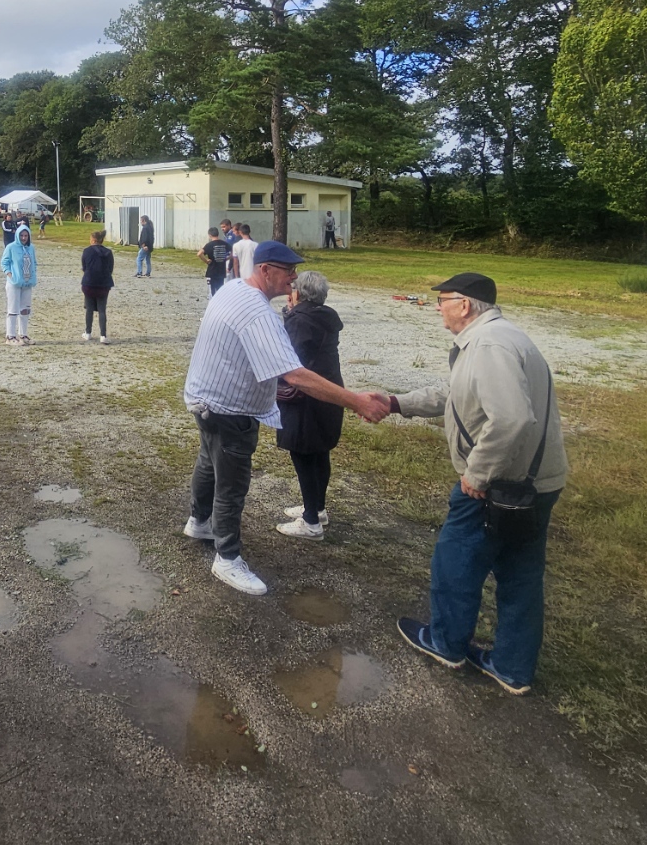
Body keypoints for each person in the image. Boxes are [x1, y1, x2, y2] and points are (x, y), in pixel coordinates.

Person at [359, 272, 568, 696]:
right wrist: (399, 403)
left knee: (456, 560)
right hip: (537, 483)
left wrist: (477, 474)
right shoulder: (498, 339)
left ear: (466, 305)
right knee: (521, 574)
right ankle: (512, 667)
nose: (438, 307)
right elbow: (457, 394)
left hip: (498, 485)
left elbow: (511, 419)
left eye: (444, 300)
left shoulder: (488, 346)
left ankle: (446, 644)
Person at [180, 240, 377, 595]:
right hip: (229, 409)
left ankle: (198, 521)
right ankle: (227, 558)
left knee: (208, 462)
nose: (294, 278)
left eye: (296, 271)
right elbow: (295, 374)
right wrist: (356, 402)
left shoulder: (232, 288)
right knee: (232, 485)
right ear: (266, 270)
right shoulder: (258, 313)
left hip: (204, 398)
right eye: (288, 271)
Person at [274, 271, 345, 540]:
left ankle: (311, 521)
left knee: (303, 453)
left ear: (299, 293)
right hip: (329, 389)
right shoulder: (325, 316)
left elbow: (290, 355)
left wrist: (289, 315)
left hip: (306, 394)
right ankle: (317, 507)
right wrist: (290, 313)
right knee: (320, 453)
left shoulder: (301, 321)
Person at [0, 222, 37, 346]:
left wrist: (32, 275)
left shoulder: (31, 248)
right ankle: (10, 336)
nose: (24, 238)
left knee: (25, 310)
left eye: (26, 236)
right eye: (21, 235)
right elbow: (4, 263)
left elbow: (34, 262)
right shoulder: (11, 247)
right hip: (14, 284)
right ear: (17, 235)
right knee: (13, 310)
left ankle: (23, 334)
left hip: (27, 283)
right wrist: (11, 275)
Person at [81, 229, 114, 344]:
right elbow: (110, 269)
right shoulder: (109, 252)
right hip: (104, 284)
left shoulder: (86, 251)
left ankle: (88, 333)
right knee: (102, 310)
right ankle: (103, 335)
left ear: (93, 240)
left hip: (89, 283)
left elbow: (84, 267)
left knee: (89, 308)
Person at [199, 227, 230, 297]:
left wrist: (206, 261)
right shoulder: (224, 243)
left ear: (210, 235)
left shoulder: (209, 245)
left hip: (212, 271)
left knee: (212, 291)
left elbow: (199, 254)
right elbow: (234, 252)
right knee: (220, 290)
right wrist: (227, 258)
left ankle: (212, 305)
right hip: (221, 271)